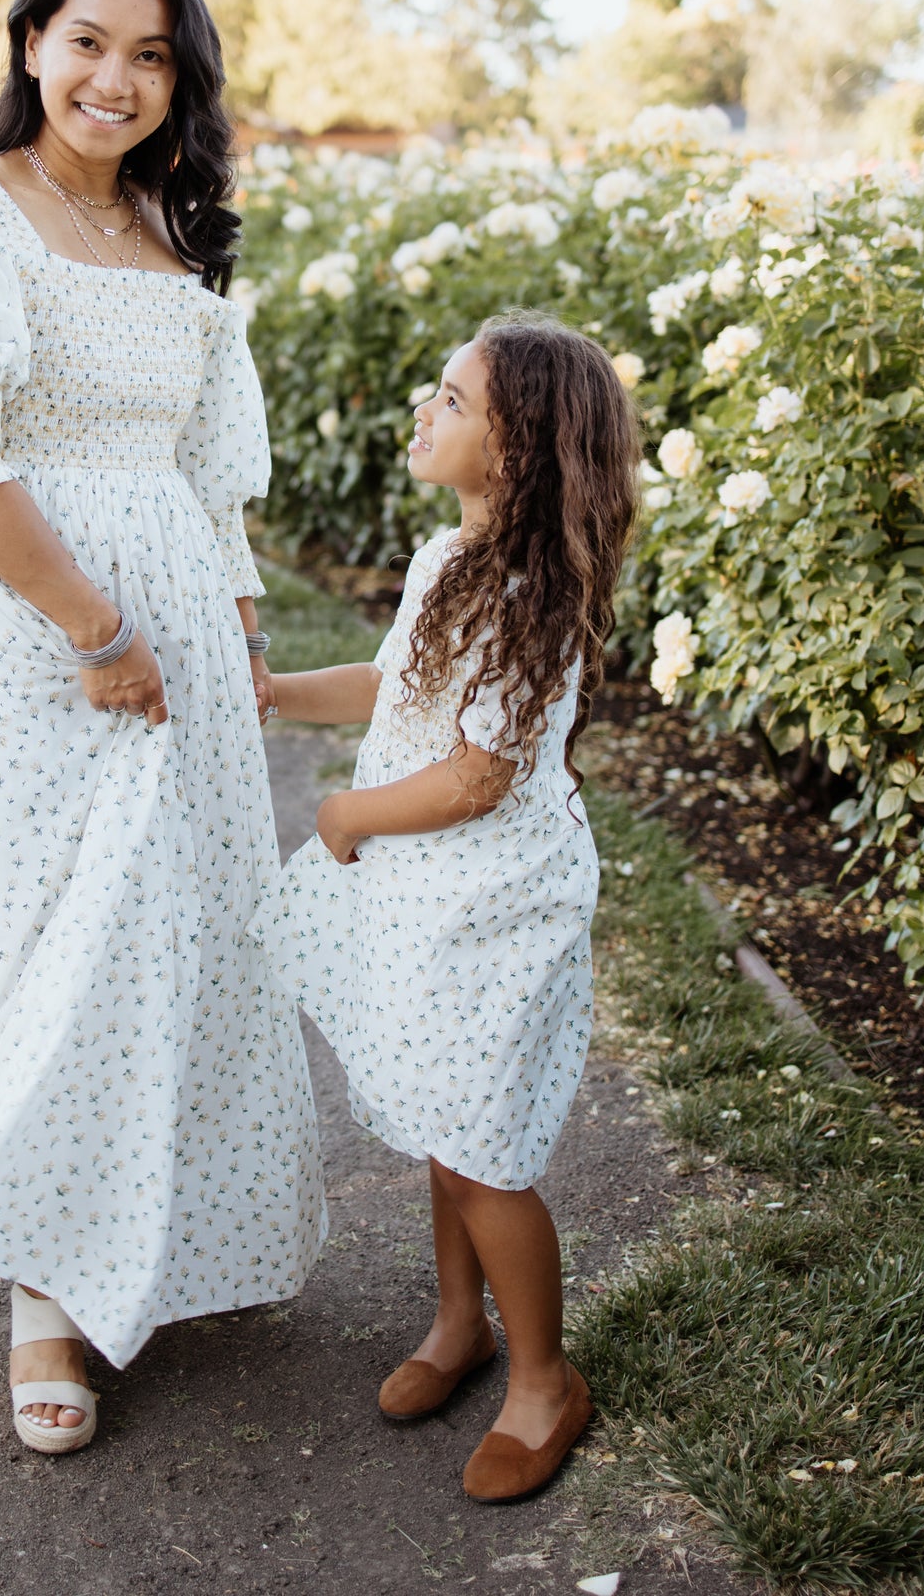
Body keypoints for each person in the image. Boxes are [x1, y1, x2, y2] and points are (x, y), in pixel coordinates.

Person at [0, 0, 324, 1456]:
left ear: (181, 83)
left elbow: (208, 470)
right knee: (35, 950)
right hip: (19, 635)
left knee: (166, 936)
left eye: (151, 54)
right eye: (89, 41)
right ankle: (42, 1292)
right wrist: (98, 635)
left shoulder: (177, 240)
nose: (115, 79)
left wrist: (227, 625)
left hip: (171, 623)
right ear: (32, 41)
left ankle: (152, 1237)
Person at [251, 316, 638, 1502]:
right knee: (439, 1108)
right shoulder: (443, 556)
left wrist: (350, 814)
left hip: (493, 899)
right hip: (431, 891)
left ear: (518, 449)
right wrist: (276, 692)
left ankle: (541, 1377)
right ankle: (454, 1320)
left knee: (482, 1148)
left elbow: (478, 773)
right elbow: (393, 681)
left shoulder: (531, 587)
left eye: (452, 400)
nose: (424, 411)